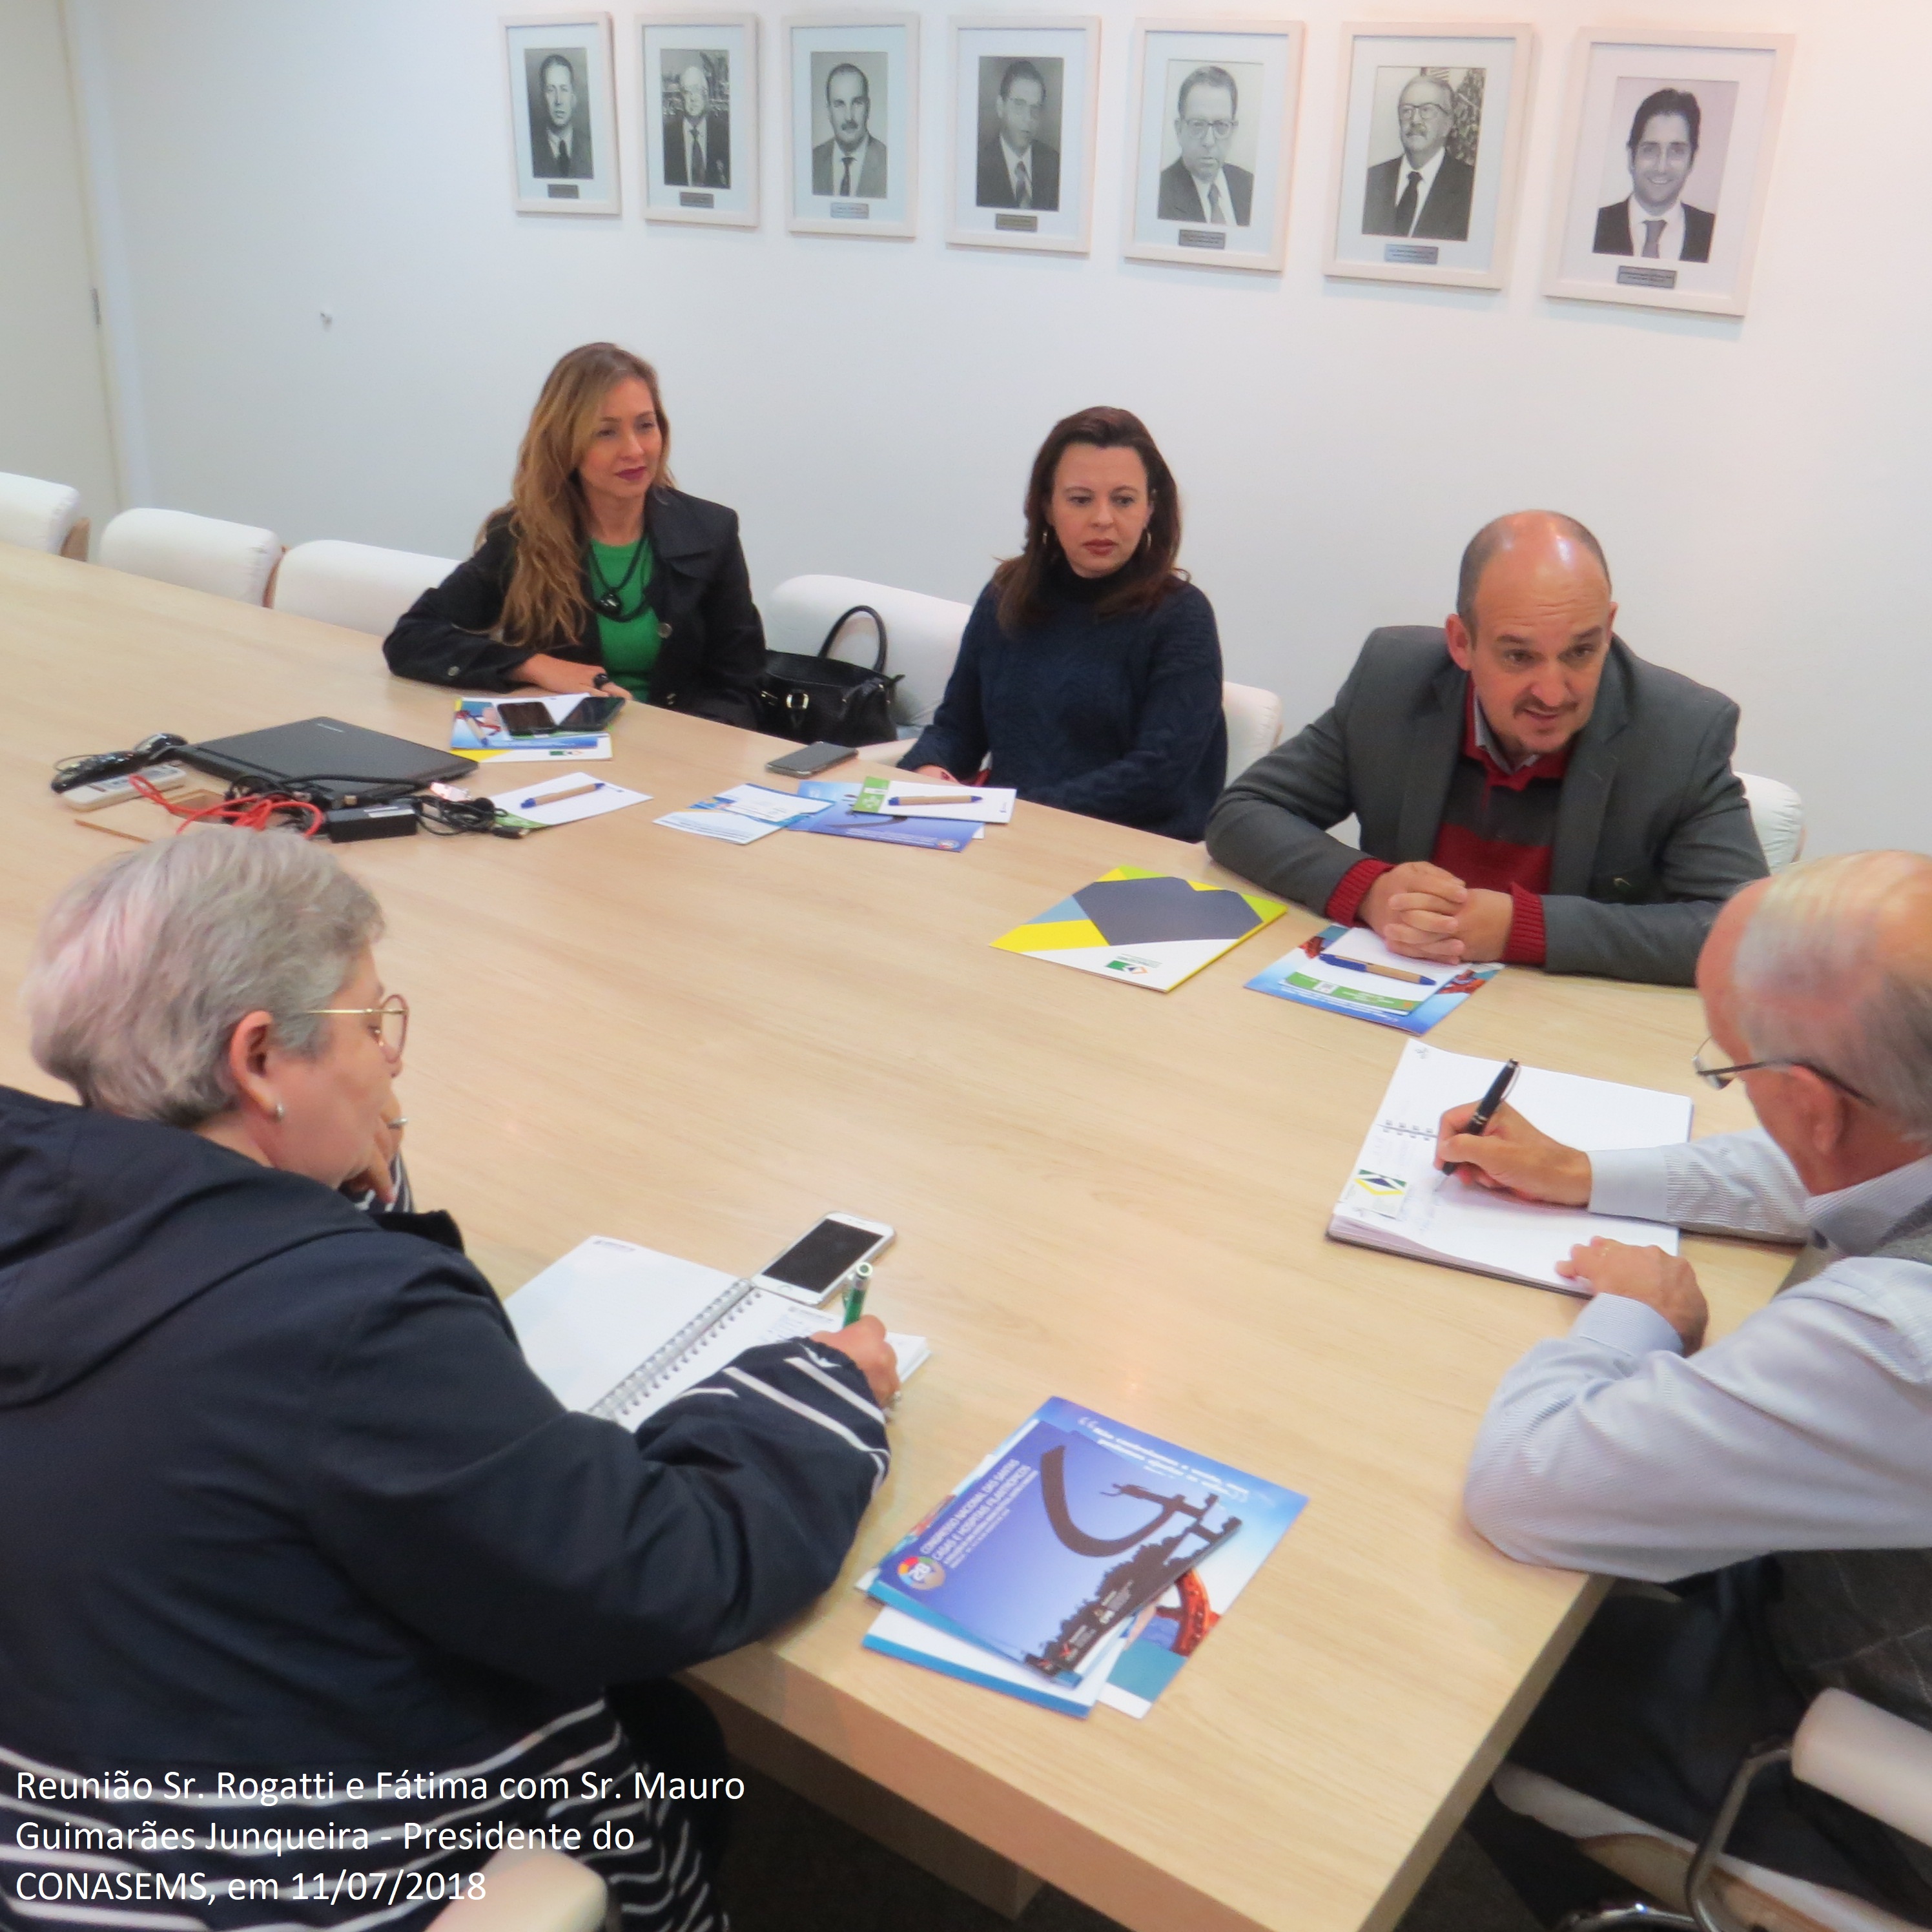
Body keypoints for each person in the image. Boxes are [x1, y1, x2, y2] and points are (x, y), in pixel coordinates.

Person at [0, 826, 899, 1931]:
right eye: (369, 1023)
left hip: (60, 1816)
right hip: (276, 1868)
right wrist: (818, 1393)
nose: (391, 1060)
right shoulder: (335, 1319)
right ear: (258, 1059)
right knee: (674, 1746)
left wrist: (320, 1207)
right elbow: (658, 1577)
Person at [1438, 851, 1932, 1924]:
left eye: (1736, 1070)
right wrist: (1583, 1173)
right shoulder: (1898, 1119)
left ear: (1811, 1105)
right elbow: (1851, 1161)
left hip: (1871, 1757)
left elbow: (1523, 1485)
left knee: (1460, 1678)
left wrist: (1639, 1313)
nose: (1741, 1092)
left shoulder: (1894, 1343)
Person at [1206, 511, 1765, 985]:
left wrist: (1525, 928)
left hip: (1567, 1029)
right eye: (1519, 656)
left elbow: (1749, 935)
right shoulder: (1393, 682)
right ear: (1461, 642)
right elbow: (1243, 812)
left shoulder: (1682, 731)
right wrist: (1372, 890)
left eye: (1580, 652)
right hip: (1398, 1001)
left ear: (1609, 627)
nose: (1553, 693)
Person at [385, 343, 765, 724]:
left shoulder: (711, 531)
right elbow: (412, 639)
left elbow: (739, 687)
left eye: (645, 426)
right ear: (564, 444)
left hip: (679, 747)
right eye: (606, 433)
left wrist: (677, 742)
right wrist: (535, 666)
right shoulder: (521, 535)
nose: (634, 450)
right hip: (565, 746)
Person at [899, 407, 1226, 843]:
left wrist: (1016, 811)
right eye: (1080, 499)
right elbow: (959, 727)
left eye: (1124, 500)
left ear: (1151, 507)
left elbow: (1156, 778)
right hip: (1009, 835)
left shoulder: (1181, 616)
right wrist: (928, 770)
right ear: (1047, 507)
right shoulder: (1007, 594)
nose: (1103, 519)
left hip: (1126, 850)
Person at [1594, 86, 1714, 263]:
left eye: (1676, 151)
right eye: (1650, 150)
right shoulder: (1593, 226)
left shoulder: (1716, 233)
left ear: (1692, 160)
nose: (1661, 167)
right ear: (1631, 157)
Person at [1362, 72, 1474, 241]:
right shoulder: (1371, 180)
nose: (1415, 120)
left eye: (1426, 110)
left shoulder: (1471, 187)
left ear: (1448, 123)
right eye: (1407, 111)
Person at [1157, 67, 1252, 225]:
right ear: (1179, 130)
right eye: (1198, 125)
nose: (1209, 141)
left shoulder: (1251, 186)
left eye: (1221, 125)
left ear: (1233, 131)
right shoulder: (1158, 195)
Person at [976, 59, 1060, 211]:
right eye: (1019, 105)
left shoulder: (1055, 165)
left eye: (1035, 108)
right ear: (1001, 107)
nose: (1028, 118)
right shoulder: (979, 167)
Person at [811, 61, 887, 198]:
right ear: (829, 111)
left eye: (857, 103)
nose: (849, 117)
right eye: (840, 104)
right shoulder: (812, 162)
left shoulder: (889, 163)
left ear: (868, 107)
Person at [663, 59, 730, 189]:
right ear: (681, 97)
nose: (693, 98)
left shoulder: (723, 134)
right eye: (687, 92)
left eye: (697, 90)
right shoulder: (667, 135)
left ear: (706, 94)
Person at [531, 51, 592, 180]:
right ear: (542, 97)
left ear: (573, 97)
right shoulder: (530, 150)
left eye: (564, 89)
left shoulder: (591, 147)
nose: (558, 100)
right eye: (551, 90)